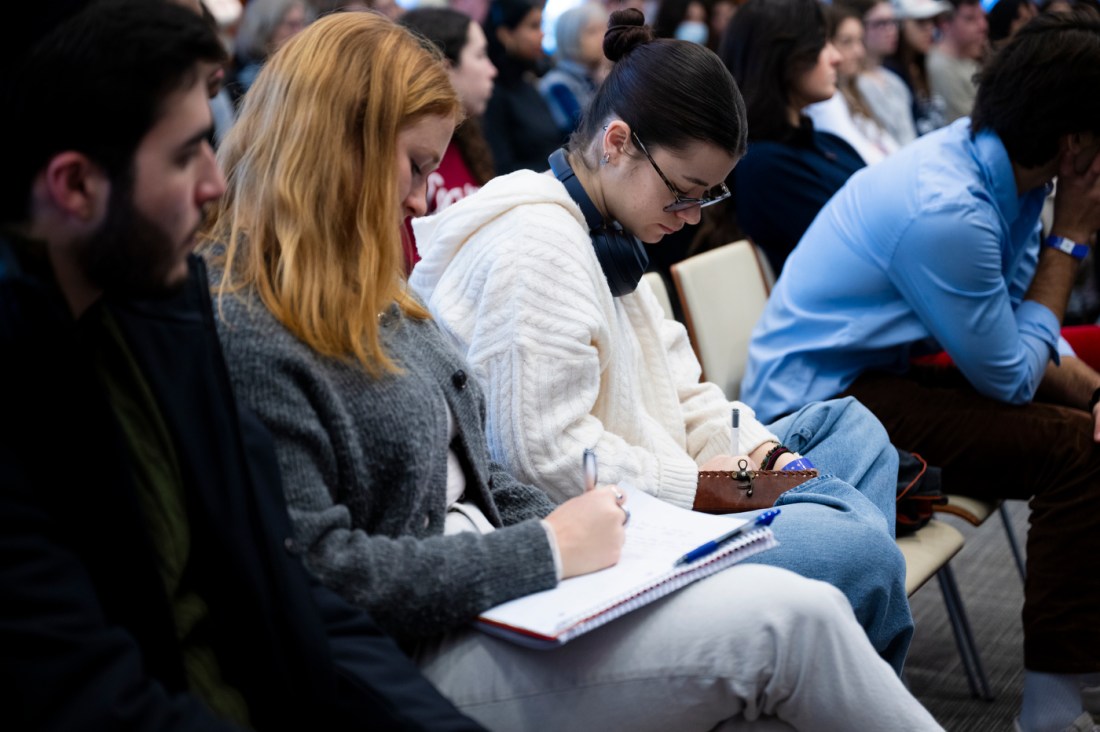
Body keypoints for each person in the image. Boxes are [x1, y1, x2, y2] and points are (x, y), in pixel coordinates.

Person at [200, 10, 944, 731]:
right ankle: (835, 560)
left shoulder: (394, 285)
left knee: (846, 430)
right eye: (418, 165)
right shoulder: (524, 247)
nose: (424, 196)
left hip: (575, 538)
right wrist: (633, 525)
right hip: (489, 600)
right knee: (838, 570)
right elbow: (527, 464)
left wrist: (748, 466)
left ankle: (820, 558)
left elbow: (666, 397)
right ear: (339, 149)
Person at [0, 2, 488, 730]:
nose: (215, 184)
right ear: (74, 186)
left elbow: (291, 591)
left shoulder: (164, 312)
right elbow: (90, 692)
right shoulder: (192, 316)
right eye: (185, 154)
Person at [412, 7, 918, 675]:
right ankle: (828, 596)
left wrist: (765, 463)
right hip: (625, 537)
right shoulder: (535, 247)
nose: (686, 219)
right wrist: (728, 488)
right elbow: (545, 462)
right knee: (863, 552)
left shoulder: (610, 229)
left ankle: (817, 614)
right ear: (617, 142)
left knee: (847, 427)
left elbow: (688, 387)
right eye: (683, 192)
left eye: (704, 199)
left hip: (678, 488)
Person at [741, 11, 1100, 731]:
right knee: (1074, 453)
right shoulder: (951, 208)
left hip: (875, 379)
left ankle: (1068, 685)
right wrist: (1072, 238)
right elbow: (1012, 375)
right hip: (816, 414)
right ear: (1073, 144)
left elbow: (1017, 333)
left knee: (1080, 429)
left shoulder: (1005, 173)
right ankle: (1054, 714)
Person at [720, 0, 866, 273]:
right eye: (822, 43)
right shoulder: (764, 165)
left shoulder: (827, 142)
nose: (837, 57)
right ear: (784, 56)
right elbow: (859, 251)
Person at [399, 7, 497, 270]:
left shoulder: (468, 142)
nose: (492, 70)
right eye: (480, 55)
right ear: (444, 68)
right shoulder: (406, 148)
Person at [806, 3, 900, 166]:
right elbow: (863, 161)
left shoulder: (854, 90)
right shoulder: (827, 102)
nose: (859, 52)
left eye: (860, 41)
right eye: (847, 42)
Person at [482, 0, 563, 173]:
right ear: (505, 34)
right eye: (534, 26)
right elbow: (502, 168)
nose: (541, 34)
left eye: (541, 25)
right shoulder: (494, 93)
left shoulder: (527, 80)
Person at [852, 0, 918, 145]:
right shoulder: (854, 85)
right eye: (881, 23)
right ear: (858, 27)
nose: (892, 30)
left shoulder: (894, 79)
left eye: (894, 22)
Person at [538, 3, 607, 136]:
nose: (603, 37)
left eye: (604, 29)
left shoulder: (594, 76)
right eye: (592, 31)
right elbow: (581, 132)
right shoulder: (557, 84)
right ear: (570, 37)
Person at [884, 0, 950, 136]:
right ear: (899, 25)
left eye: (933, 21)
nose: (930, 29)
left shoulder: (920, 65)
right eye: (921, 22)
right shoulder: (891, 75)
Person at [226, 0, 311, 106]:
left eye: (302, 23)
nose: (300, 32)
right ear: (266, 29)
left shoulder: (305, 71)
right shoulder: (243, 81)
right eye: (291, 25)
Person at [926, 0, 988, 122]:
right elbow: (966, 121)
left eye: (983, 17)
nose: (983, 25)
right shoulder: (941, 66)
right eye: (970, 19)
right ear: (945, 23)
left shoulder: (971, 53)